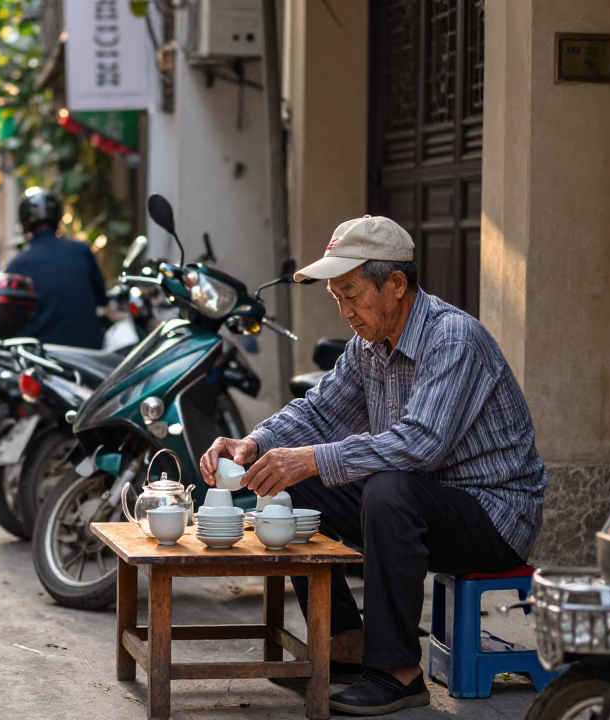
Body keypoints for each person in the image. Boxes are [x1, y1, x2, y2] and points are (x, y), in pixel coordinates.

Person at [198, 216, 547, 716]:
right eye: (336, 297)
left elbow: (420, 445)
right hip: (422, 498)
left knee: (386, 490)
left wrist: (315, 458)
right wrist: (253, 445)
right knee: (288, 487)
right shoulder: (367, 345)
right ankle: (347, 639)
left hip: (494, 514)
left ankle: (398, 672)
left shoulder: (453, 338)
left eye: (352, 294)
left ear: (397, 284)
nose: (344, 310)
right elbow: (319, 410)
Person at [5, 188, 107, 349]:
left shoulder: (18, 264)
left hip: (43, 354)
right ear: (58, 217)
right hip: (90, 351)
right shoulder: (81, 250)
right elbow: (101, 298)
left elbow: (10, 317)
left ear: (24, 222)